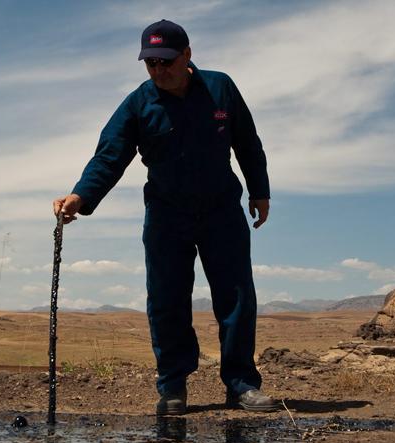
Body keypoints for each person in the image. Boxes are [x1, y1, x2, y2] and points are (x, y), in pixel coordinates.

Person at [53, 19, 277, 415]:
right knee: (167, 297)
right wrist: (80, 196)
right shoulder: (139, 103)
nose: (158, 70)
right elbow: (110, 155)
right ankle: (173, 386)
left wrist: (259, 190)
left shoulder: (220, 87)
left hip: (221, 209)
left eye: (166, 61)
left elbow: (247, 141)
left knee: (237, 295)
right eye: (150, 63)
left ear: (187, 55)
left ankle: (241, 383)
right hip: (166, 213)